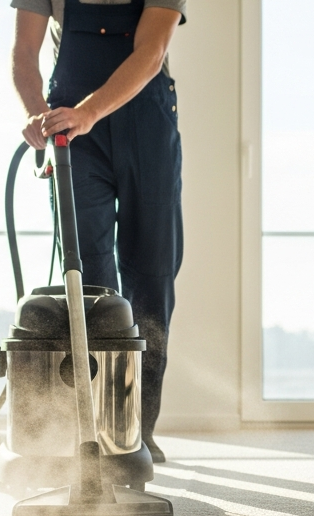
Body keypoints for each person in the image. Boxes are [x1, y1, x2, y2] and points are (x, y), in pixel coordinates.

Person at [11, 0, 186, 463]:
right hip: (72, 129)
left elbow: (151, 52)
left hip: (144, 120)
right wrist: (36, 114)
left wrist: (89, 113)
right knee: (87, 281)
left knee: (151, 274)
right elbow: (24, 52)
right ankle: (87, 423)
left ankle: (135, 428)